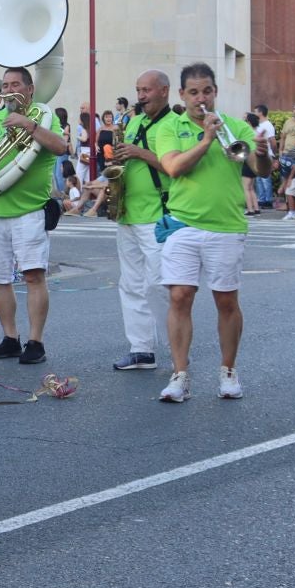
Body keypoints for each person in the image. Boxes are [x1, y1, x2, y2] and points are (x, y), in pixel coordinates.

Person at [148, 64, 255, 402]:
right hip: (182, 224)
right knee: (179, 296)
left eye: (207, 91)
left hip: (226, 224)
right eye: (193, 92)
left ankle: (228, 371)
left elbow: (258, 167)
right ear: (182, 95)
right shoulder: (169, 126)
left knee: (226, 300)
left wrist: (265, 155)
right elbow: (173, 167)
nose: (201, 98)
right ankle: (179, 375)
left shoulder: (236, 127)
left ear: (215, 92)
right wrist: (207, 140)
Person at [0, 66, 69, 365]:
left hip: (30, 211)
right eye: (5, 85)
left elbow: (61, 147)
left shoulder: (44, 117)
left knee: (33, 276)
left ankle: (36, 342)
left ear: (30, 89)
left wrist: (28, 126)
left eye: (15, 84)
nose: (9, 90)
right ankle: (10, 338)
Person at [110, 72, 175, 372]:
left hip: (157, 215)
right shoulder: (132, 122)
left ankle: (177, 346)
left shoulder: (173, 124)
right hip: (128, 212)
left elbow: (175, 166)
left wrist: (138, 152)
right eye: (138, 90)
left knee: (158, 285)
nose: (141, 96)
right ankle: (141, 349)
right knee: (131, 284)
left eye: (146, 90)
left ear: (164, 90)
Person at [251, 105, 277, 210]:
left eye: (255, 111)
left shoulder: (268, 125)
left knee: (265, 179)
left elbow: (273, 141)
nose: (254, 113)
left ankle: (268, 199)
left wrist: (274, 154)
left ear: (261, 113)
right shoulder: (260, 125)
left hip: (267, 154)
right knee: (259, 178)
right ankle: (261, 199)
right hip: (259, 153)